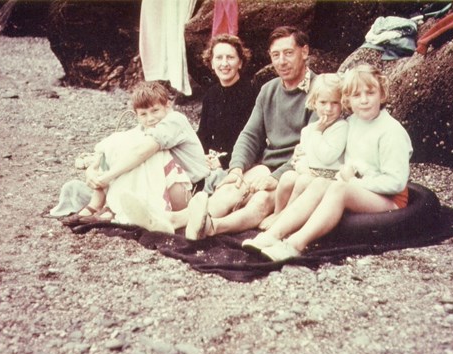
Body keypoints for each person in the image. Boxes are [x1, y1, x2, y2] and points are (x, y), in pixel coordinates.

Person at [243, 64, 413, 261]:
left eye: (370, 93)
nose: (364, 100)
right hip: (359, 187)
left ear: (382, 94)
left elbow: (396, 182)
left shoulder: (391, 131)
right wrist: (303, 155)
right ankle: (272, 236)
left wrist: (354, 183)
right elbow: (333, 157)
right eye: (357, 95)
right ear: (347, 99)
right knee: (320, 183)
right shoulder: (353, 123)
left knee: (339, 189)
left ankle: (295, 245)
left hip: (389, 198)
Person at [184, 26, 317, 240]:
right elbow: (250, 135)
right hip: (266, 165)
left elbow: (313, 149)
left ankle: (212, 227)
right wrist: (236, 168)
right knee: (231, 187)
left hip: (296, 171)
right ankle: (174, 220)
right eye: (276, 55)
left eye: (288, 53)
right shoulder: (269, 89)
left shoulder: (320, 90)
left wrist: (276, 177)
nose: (282, 61)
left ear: (304, 51)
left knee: (260, 200)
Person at [61, 81, 209, 232]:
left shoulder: (175, 120)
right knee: (120, 143)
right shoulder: (146, 128)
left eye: (155, 111)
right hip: (166, 186)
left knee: (151, 153)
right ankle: (97, 205)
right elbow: (107, 146)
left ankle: (111, 209)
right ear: (136, 115)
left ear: (168, 105)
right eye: (143, 114)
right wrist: (91, 170)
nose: (150, 119)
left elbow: (142, 152)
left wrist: (107, 177)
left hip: (190, 194)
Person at [259, 73, 348, 230]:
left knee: (303, 181)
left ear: (342, 104)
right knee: (287, 177)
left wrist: (319, 133)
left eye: (335, 103)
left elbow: (328, 157)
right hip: (309, 172)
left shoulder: (341, 127)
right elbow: (301, 156)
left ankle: (285, 217)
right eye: (323, 102)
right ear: (314, 102)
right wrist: (301, 166)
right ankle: (277, 212)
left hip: (328, 176)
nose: (328, 108)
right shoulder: (309, 129)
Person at [197, 34, 258, 194]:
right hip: (210, 160)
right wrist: (201, 155)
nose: (224, 63)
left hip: (235, 163)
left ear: (240, 62)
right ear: (211, 62)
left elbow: (254, 140)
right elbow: (203, 134)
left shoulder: (252, 94)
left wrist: (223, 161)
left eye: (230, 57)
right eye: (218, 58)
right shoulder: (211, 94)